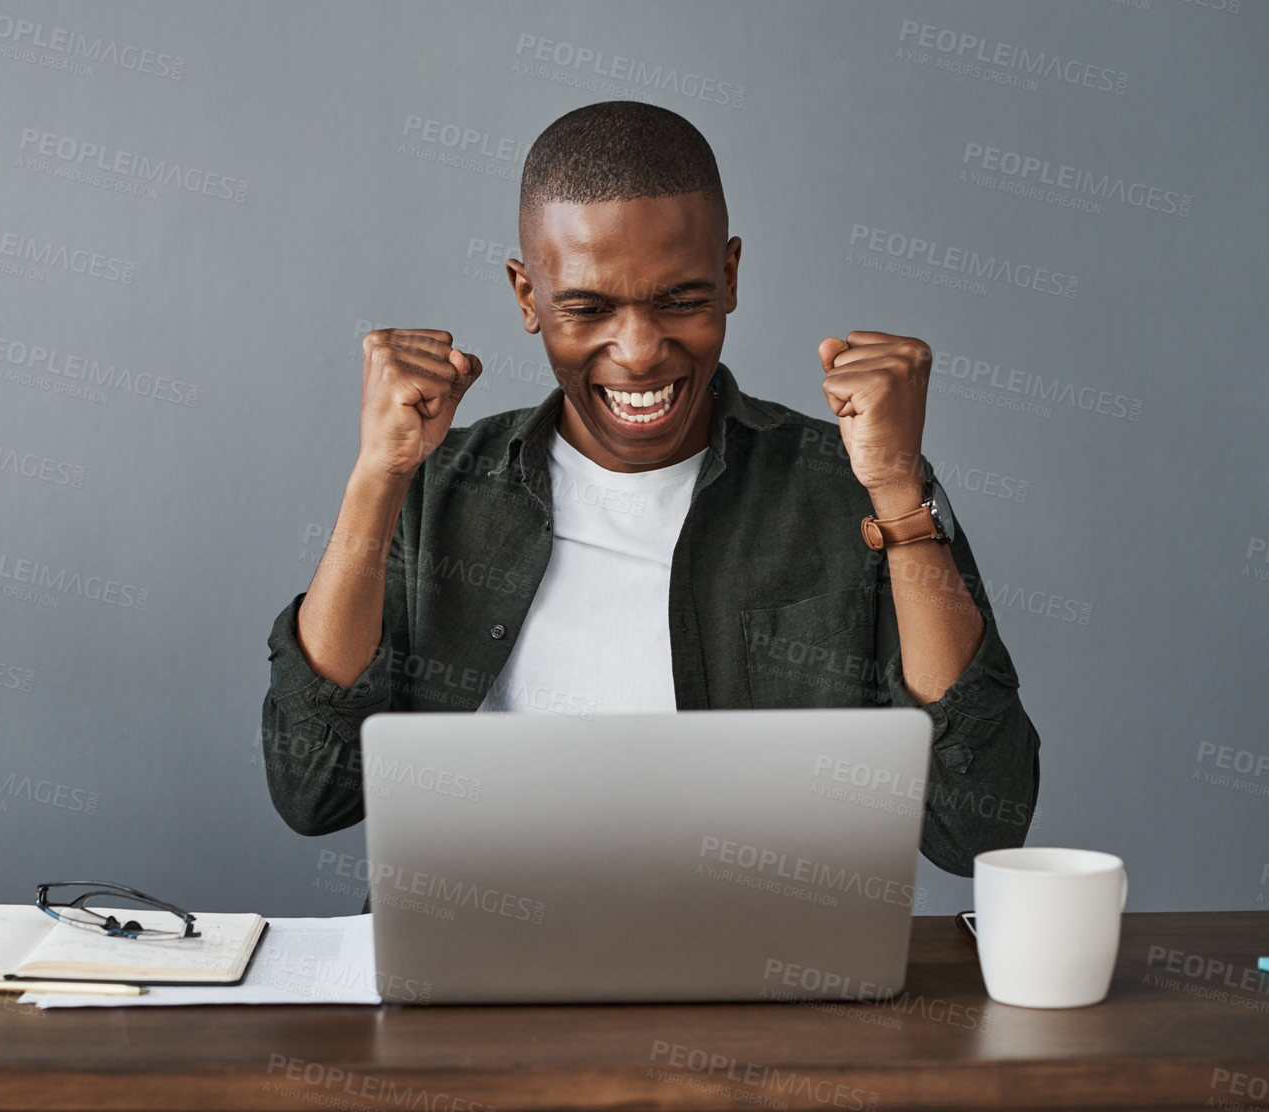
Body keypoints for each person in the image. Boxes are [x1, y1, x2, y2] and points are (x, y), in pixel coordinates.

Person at [260, 100, 1039, 905]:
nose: (638, 352)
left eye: (680, 300)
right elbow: (312, 790)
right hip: (475, 988)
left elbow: (976, 823)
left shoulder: (853, 485)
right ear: (527, 297)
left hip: (771, 990)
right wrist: (376, 478)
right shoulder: (435, 486)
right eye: (587, 308)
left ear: (730, 276)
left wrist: (900, 493)